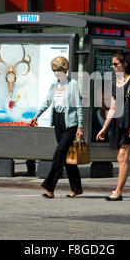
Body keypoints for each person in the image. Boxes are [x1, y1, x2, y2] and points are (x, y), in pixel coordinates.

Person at [96, 51, 130, 201]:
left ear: (124, 64)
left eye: (115, 64)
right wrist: (104, 127)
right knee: (121, 158)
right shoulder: (114, 82)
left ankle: (118, 192)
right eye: (112, 64)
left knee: (123, 158)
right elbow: (112, 108)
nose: (113, 67)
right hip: (118, 123)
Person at [30, 56, 84, 199]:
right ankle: (77, 188)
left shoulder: (72, 84)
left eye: (59, 70)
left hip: (70, 123)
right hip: (58, 121)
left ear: (64, 70)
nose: (56, 73)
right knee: (66, 156)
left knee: (59, 154)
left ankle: (49, 187)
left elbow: (79, 106)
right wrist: (37, 115)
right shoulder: (54, 84)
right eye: (54, 70)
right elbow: (48, 101)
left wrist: (80, 126)